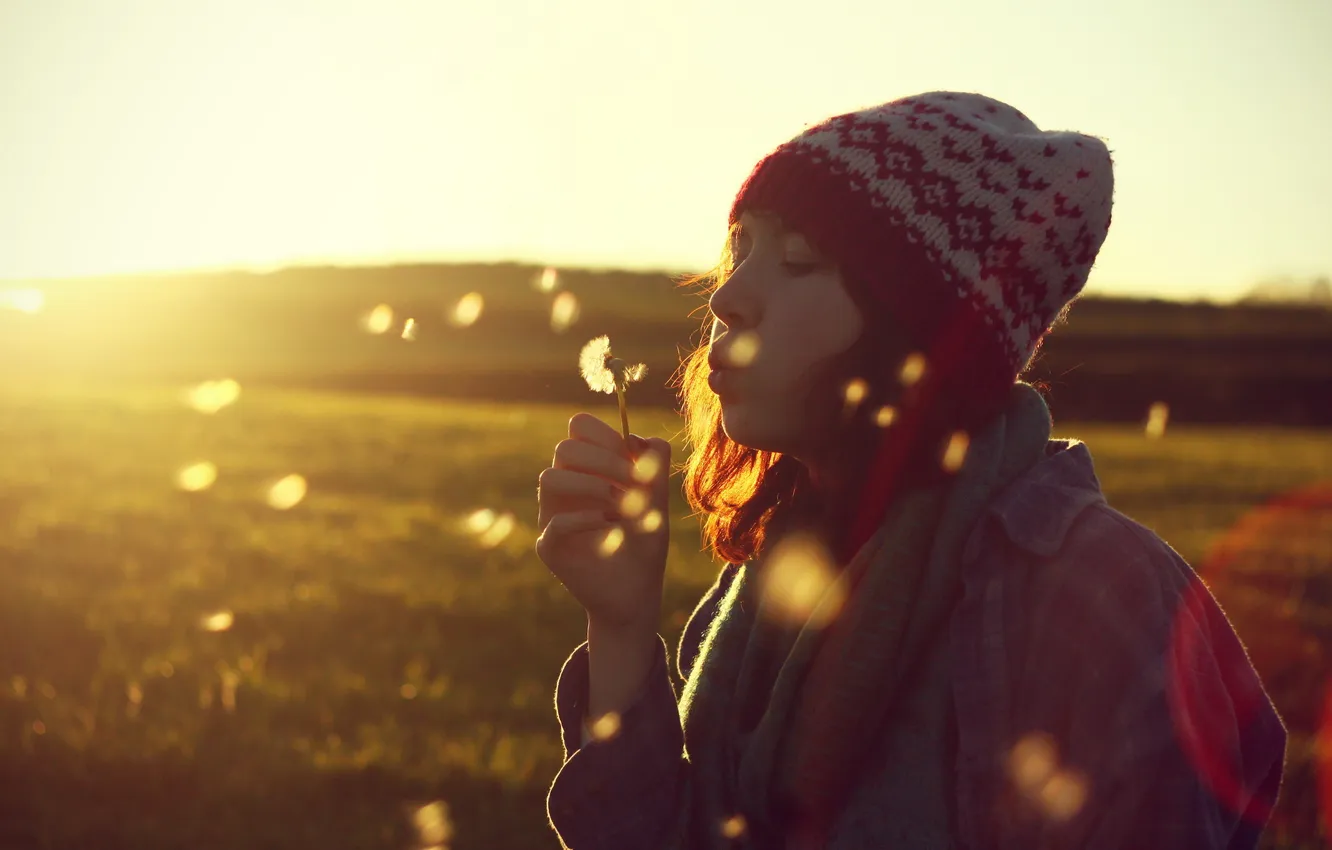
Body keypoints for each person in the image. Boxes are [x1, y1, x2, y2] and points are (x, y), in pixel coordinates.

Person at [534, 91, 1286, 849]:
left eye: (798, 261)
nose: (728, 297)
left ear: (917, 333)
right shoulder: (770, 577)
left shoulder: (1098, 600)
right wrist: (621, 623)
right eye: (742, 250)